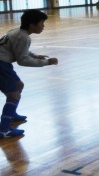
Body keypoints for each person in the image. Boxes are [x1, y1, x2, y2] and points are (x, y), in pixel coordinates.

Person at [0, 9, 59, 139]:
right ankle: (3, 130)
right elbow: (22, 60)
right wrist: (47, 62)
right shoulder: (24, 37)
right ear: (32, 24)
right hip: (1, 65)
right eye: (42, 23)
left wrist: (36, 56)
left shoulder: (16, 32)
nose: (43, 26)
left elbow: (21, 50)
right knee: (14, 95)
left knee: (18, 85)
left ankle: (11, 114)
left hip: (3, 64)